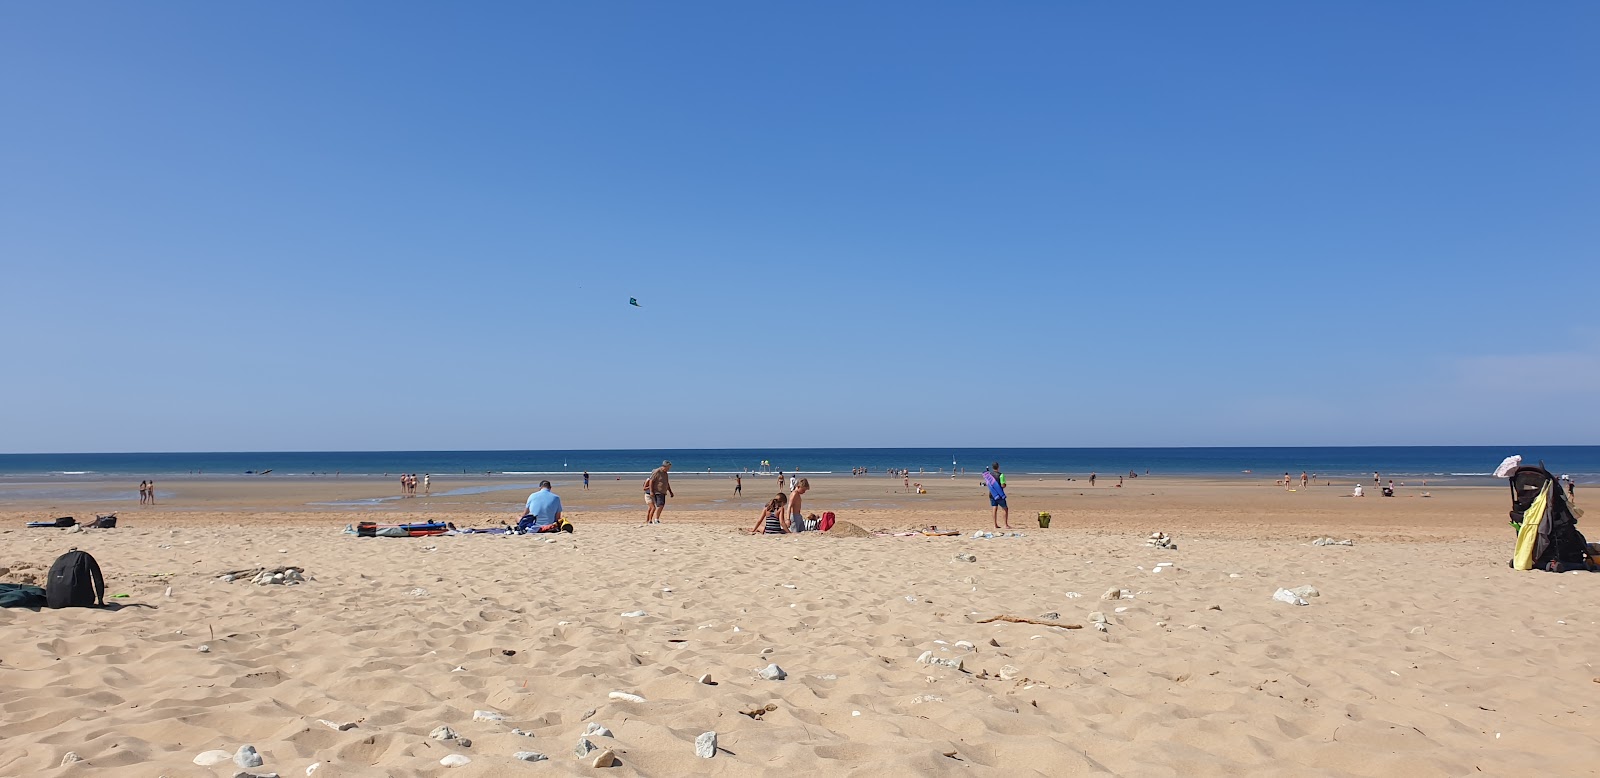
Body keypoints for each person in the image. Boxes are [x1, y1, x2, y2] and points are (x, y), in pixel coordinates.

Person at [644, 460, 674, 524]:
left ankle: (651, 520)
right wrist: (651, 491)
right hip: (657, 491)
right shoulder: (657, 471)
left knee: (660, 505)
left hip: (663, 491)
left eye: (669, 468)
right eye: (668, 467)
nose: (669, 469)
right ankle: (655, 519)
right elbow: (651, 481)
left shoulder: (665, 473)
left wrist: (670, 491)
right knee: (660, 505)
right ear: (664, 466)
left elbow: (667, 483)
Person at [984, 462, 1010, 529]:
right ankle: (1005, 524)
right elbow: (1002, 485)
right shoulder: (1001, 475)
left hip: (992, 494)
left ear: (992, 467)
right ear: (998, 467)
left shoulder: (989, 475)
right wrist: (1005, 485)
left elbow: (988, 484)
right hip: (999, 494)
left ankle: (995, 525)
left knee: (994, 508)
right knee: (1005, 508)